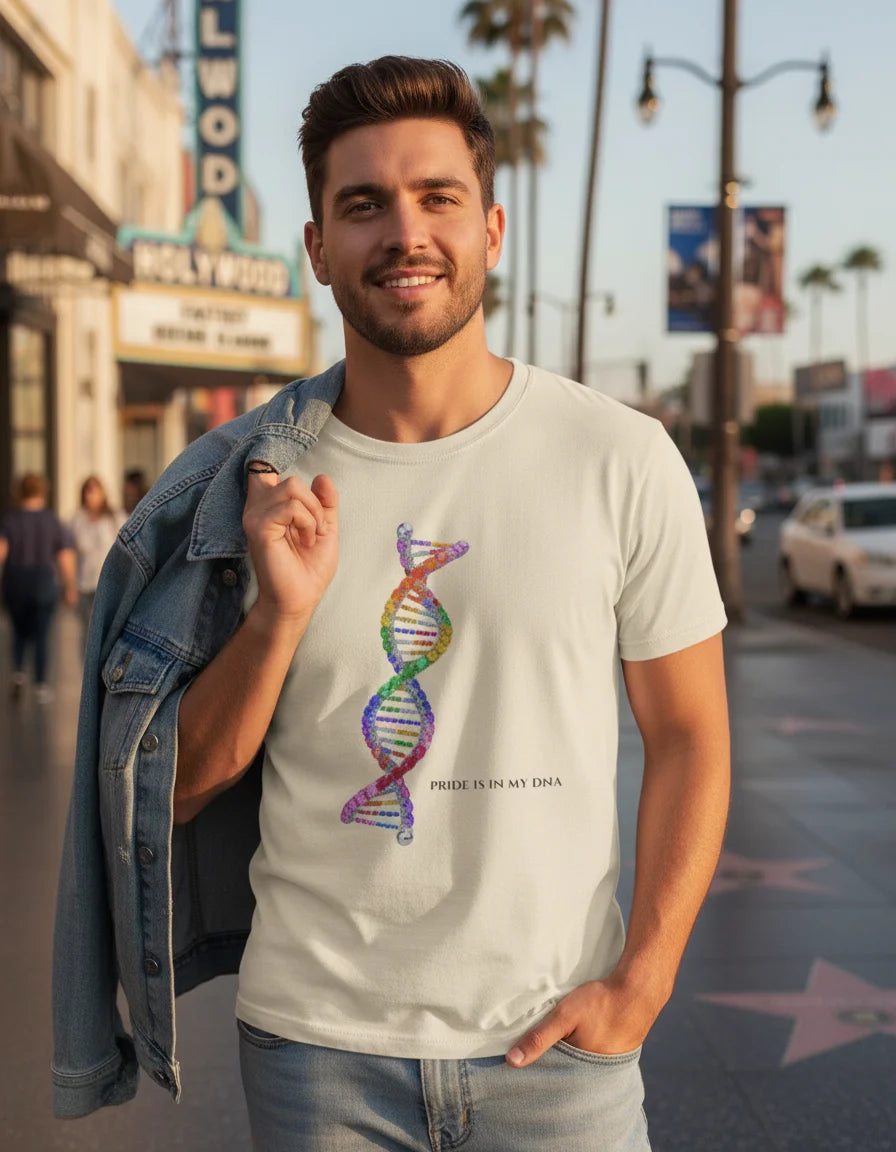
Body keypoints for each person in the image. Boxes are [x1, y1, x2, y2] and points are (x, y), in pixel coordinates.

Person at [52, 57, 730, 1151]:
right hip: (317, 1054)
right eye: (361, 205)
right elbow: (170, 794)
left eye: (436, 198)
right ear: (317, 248)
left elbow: (690, 735)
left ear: (491, 229)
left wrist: (640, 984)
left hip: (557, 1056)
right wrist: (276, 615)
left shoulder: (620, 458)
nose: (402, 233)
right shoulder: (238, 492)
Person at [0, 472, 77, 703]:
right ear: (43, 491)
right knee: (42, 634)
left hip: (16, 582)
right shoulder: (52, 521)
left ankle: (18, 672)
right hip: (44, 582)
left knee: (19, 631)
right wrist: (69, 585)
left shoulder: (10, 521)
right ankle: (41, 684)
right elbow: (65, 556)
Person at [69, 476, 126, 644]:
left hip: (109, 584)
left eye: (93, 491)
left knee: (107, 633)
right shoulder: (76, 521)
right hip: (85, 585)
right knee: (87, 633)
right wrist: (70, 585)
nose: (90, 495)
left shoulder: (115, 518)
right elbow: (71, 554)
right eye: (87, 491)